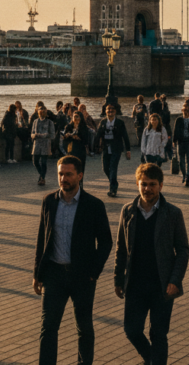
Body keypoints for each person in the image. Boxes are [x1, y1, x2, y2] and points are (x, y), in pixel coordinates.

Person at [33, 156, 112, 365]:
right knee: (48, 327)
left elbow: (106, 242)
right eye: (60, 174)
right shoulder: (49, 201)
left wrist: (93, 272)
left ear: (80, 175)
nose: (63, 178)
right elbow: (42, 238)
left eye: (68, 174)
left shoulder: (94, 205)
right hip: (54, 275)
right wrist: (37, 274)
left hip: (82, 277)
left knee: (84, 328)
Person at [114, 163, 189, 365]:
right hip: (135, 284)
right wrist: (118, 279)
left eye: (152, 184)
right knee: (132, 330)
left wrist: (175, 280)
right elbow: (121, 248)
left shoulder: (173, 213)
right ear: (137, 184)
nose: (147, 189)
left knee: (159, 334)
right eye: (143, 184)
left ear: (161, 185)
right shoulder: (128, 211)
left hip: (162, 285)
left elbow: (183, 250)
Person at [94, 103, 131, 198]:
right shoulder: (103, 122)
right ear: (105, 111)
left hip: (116, 148)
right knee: (105, 168)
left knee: (113, 168)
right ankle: (113, 182)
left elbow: (125, 136)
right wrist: (95, 147)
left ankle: (112, 190)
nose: (110, 111)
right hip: (106, 148)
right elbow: (98, 135)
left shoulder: (120, 123)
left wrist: (128, 150)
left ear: (115, 112)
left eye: (112, 110)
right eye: (108, 110)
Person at [31, 107, 55, 186]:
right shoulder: (35, 121)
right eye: (40, 112)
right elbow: (32, 133)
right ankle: (42, 176)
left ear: (46, 113)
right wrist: (34, 135)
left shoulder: (50, 122)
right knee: (35, 161)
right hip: (37, 144)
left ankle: (41, 178)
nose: (42, 114)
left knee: (44, 162)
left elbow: (53, 135)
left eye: (43, 112)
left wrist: (45, 135)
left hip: (45, 144)